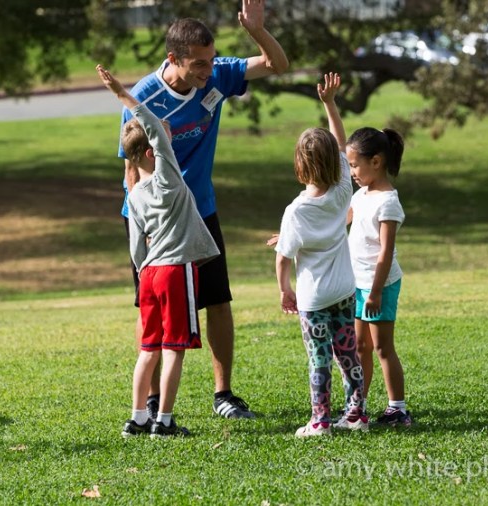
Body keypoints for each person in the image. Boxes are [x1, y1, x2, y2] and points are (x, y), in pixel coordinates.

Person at [118, 0, 289, 420]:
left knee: (218, 299)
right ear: (173, 58)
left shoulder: (218, 74)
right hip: (156, 220)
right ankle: (152, 402)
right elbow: (131, 170)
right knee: (152, 307)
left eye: (211, 60)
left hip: (200, 211)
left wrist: (257, 31)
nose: (208, 70)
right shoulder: (144, 98)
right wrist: (145, 225)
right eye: (198, 63)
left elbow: (277, 65)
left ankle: (223, 394)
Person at [98, 64, 220, 438]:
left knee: (148, 349)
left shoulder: (135, 195)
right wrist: (124, 95)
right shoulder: (168, 176)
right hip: (175, 271)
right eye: (166, 136)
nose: (171, 137)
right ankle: (164, 421)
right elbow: (152, 125)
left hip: (149, 274)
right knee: (173, 349)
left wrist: (143, 269)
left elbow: (137, 245)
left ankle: (137, 418)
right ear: (154, 151)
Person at [275, 73, 367, 437]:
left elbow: (284, 258)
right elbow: (341, 143)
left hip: (313, 299)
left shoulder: (296, 211)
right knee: (348, 353)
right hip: (345, 290)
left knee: (319, 358)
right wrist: (330, 103)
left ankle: (321, 421)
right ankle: (356, 414)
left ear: (299, 164)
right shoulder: (344, 189)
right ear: (336, 161)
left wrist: (284, 289)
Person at [344, 125, 413, 428]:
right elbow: (335, 224)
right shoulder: (360, 195)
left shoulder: (388, 202)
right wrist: (293, 236)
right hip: (359, 283)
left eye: (354, 165)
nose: (352, 172)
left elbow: (385, 253)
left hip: (380, 285)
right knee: (360, 347)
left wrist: (375, 293)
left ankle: (398, 409)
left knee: (383, 347)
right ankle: (357, 405)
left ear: (376, 161)